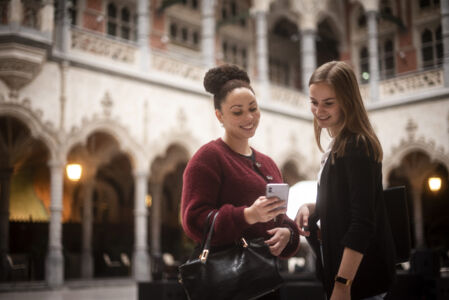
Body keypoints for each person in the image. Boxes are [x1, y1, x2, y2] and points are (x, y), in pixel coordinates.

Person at [181, 64, 300, 299]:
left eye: (253, 108)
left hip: (265, 283)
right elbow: (193, 221)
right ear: (220, 115)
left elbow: (280, 218)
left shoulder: (268, 163)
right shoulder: (208, 158)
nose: (249, 118)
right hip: (225, 285)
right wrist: (247, 215)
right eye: (237, 112)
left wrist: (288, 234)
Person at [295, 61, 396, 300]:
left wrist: (342, 284)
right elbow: (345, 205)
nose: (319, 110)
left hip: (358, 281)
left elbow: (362, 222)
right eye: (313, 102)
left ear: (347, 101)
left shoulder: (356, 145)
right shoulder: (338, 144)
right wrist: (313, 208)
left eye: (328, 103)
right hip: (345, 276)